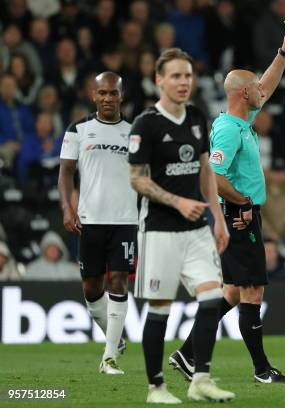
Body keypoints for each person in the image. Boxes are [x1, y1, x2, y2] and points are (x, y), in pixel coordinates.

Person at [171, 31, 285, 384]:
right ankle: (262, 370)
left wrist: (283, 54)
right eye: (255, 87)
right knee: (252, 291)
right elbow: (214, 175)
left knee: (230, 292)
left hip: (241, 213)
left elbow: (268, 85)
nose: (263, 90)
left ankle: (186, 354)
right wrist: (241, 202)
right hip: (239, 215)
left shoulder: (240, 122)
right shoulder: (229, 129)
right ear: (244, 93)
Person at [128, 48, 233, 404]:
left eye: (187, 75)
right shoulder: (146, 124)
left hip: (197, 232)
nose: (183, 82)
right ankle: (156, 387)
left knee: (212, 297)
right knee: (160, 308)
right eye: (175, 76)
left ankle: (200, 378)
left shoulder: (197, 117)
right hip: (159, 230)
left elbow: (205, 170)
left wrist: (217, 218)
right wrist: (177, 202)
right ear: (159, 80)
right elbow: (137, 180)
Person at [58, 72, 136, 376]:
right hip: (89, 220)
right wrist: (68, 208)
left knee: (117, 280)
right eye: (102, 93)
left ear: (121, 96)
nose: (107, 99)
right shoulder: (78, 129)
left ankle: (109, 357)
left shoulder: (134, 131)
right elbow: (65, 172)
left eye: (112, 94)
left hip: (124, 220)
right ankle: (115, 337)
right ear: (94, 96)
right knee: (91, 289)